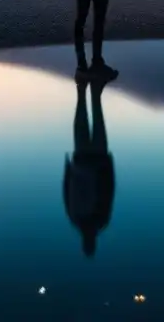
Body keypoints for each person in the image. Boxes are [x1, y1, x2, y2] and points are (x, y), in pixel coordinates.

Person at [63, 77, 116, 258]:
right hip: (93, 160)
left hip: (89, 160)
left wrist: (68, 168)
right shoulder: (94, 220)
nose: (89, 239)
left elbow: (66, 191)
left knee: (88, 113)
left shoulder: (89, 220)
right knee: (90, 112)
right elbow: (109, 191)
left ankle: (86, 84)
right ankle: (88, 84)